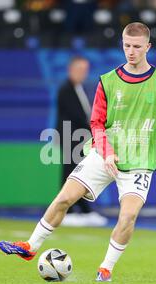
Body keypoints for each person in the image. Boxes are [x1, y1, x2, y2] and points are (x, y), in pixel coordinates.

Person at [0, 22, 156, 281]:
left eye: (137, 47)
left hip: (139, 162)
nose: (131, 51)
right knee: (63, 199)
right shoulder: (108, 81)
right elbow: (96, 123)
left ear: (148, 47)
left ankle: (105, 269)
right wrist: (107, 151)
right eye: (127, 45)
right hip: (104, 155)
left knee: (128, 216)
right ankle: (30, 247)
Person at [56, 56, 108, 227]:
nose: (83, 73)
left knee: (80, 172)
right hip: (71, 136)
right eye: (80, 69)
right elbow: (76, 116)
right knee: (70, 172)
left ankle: (84, 210)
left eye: (85, 70)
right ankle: (68, 211)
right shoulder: (66, 89)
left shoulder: (80, 88)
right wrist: (93, 126)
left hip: (80, 137)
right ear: (71, 70)